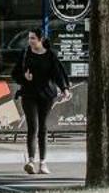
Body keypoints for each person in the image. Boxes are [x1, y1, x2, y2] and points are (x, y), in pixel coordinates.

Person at [10, 29, 70, 175]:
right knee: (33, 126)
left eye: (33, 38)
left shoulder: (50, 55)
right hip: (29, 93)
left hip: (47, 95)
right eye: (29, 38)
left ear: (41, 39)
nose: (30, 41)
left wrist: (65, 88)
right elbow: (15, 74)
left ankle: (43, 162)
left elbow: (58, 73)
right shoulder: (25, 54)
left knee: (42, 127)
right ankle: (31, 160)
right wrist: (24, 77)